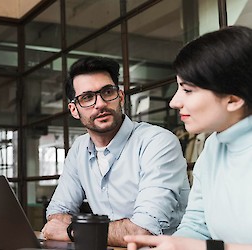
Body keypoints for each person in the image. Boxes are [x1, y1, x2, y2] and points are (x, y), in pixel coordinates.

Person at [124, 26, 252, 250]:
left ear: (233, 99)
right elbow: (197, 226)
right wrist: (168, 246)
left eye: (188, 90)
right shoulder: (213, 146)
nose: (174, 102)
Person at [41, 56, 190, 247]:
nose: (100, 104)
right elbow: (57, 211)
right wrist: (97, 232)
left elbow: (143, 231)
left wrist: (72, 231)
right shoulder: (79, 149)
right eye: (87, 98)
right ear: (74, 110)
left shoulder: (156, 142)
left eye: (107, 92)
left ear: (120, 97)